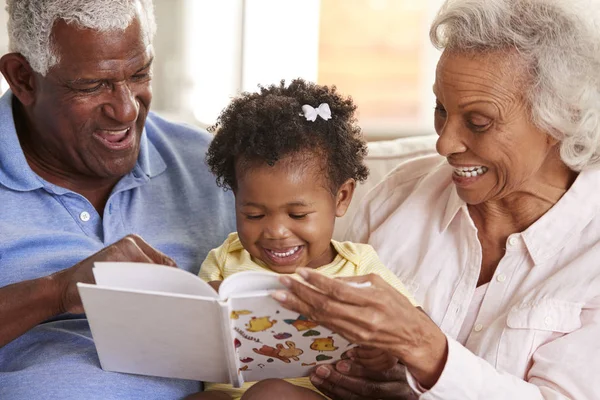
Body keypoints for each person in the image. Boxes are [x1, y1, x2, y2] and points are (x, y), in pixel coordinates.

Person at [270, 0, 600, 399]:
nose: (445, 142)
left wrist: (425, 350)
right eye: (441, 109)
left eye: (479, 122)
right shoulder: (400, 195)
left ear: (560, 119)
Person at [0, 1, 234, 399]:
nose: (126, 109)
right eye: (92, 85)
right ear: (24, 78)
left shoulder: (212, 167)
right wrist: (57, 290)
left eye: (140, 73)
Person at [184, 79, 418, 400]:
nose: (276, 232)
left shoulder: (359, 267)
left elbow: (414, 331)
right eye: (254, 214)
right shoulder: (226, 258)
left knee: (271, 394)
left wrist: (383, 354)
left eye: (297, 215)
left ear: (342, 198)